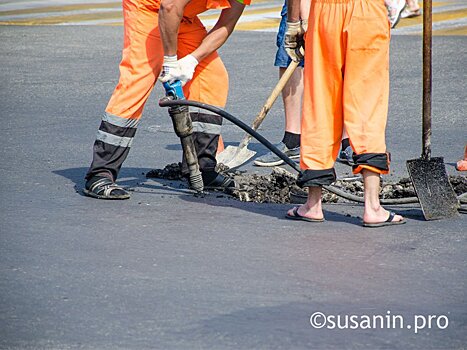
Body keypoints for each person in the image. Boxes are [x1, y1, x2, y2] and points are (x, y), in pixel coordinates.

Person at [83, 0, 250, 199]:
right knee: (140, 78)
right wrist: (170, 62)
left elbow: (226, 25)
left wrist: (192, 60)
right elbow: (169, 6)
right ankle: (101, 173)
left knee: (211, 77)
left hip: (182, 15)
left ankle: (200, 167)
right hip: (149, 8)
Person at [284, 0, 405, 227]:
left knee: (320, 102)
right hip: (368, 12)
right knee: (367, 106)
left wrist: (294, 22)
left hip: (324, 12)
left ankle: (313, 203)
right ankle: (373, 207)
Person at [254, 0, 354, 167]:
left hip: (341, 6)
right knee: (290, 55)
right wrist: (301, 21)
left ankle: (348, 141)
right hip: (299, 5)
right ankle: (293, 139)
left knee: (344, 61)